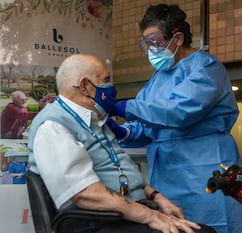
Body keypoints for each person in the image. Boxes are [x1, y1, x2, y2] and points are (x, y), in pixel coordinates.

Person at [106, 4, 242, 233]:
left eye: (154, 41)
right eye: (145, 43)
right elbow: (146, 126)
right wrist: (122, 131)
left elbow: (179, 111)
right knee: (172, 226)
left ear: (177, 38)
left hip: (204, 167)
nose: (150, 50)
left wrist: (123, 106)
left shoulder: (205, 67)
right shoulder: (157, 79)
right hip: (166, 174)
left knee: (213, 225)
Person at [27, 54, 215, 233]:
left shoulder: (95, 121)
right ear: (84, 86)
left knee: (202, 230)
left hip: (119, 216)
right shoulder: (53, 126)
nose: (111, 87)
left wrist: (156, 197)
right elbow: (84, 193)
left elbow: (121, 171)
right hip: (92, 223)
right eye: (106, 80)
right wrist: (150, 216)